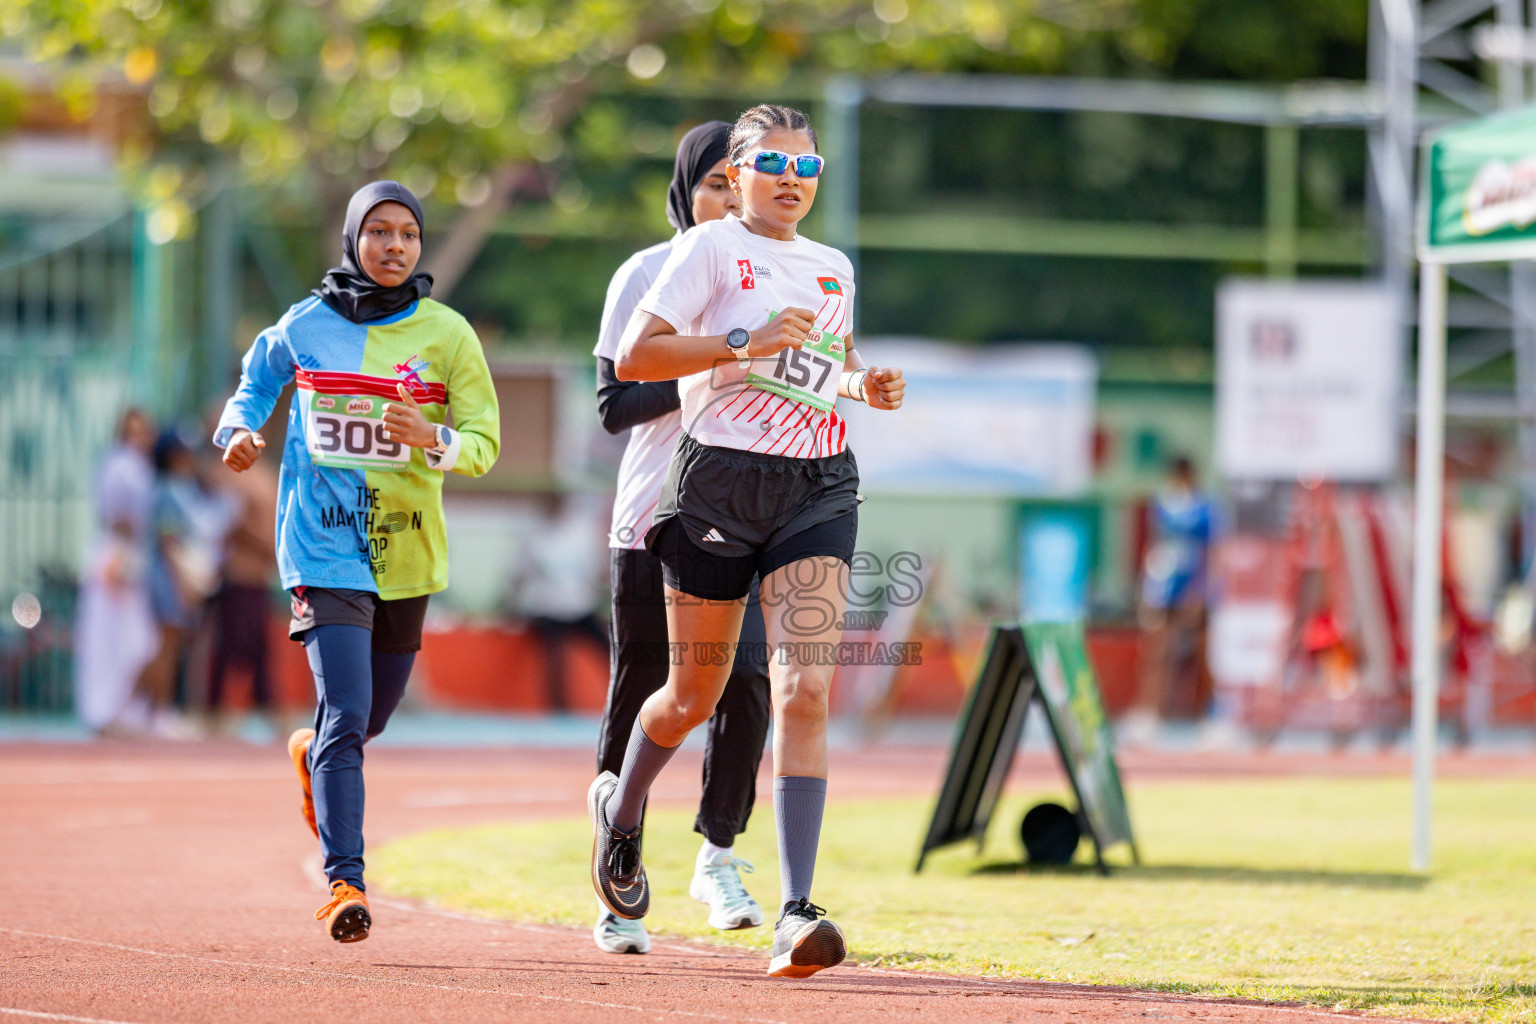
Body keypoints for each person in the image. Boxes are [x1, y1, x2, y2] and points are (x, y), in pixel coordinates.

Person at [588, 104, 906, 979]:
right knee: (692, 696)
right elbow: (634, 366)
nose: (793, 180)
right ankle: (622, 812)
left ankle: (797, 912)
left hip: (818, 483)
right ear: (739, 169)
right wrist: (741, 339)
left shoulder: (832, 266)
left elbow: (811, 370)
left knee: (804, 688)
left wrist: (859, 383)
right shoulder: (705, 250)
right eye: (774, 164)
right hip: (718, 482)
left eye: (809, 166)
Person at [214, 181, 500, 943]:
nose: (394, 246)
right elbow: (253, 385)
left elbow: (483, 442)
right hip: (321, 543)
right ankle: (345, 880)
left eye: (408, 233)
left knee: (365, 720)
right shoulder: (303, 326)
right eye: (378, 231)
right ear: (353, 238)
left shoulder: (448, 335)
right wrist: (238, 432)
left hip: (407, 549)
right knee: (345, 712)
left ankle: (312, 754)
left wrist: (431, 439)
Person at [590, 120, 772, 957]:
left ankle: (718, 853)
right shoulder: (643, 274)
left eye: (740, 186)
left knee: (747, 685)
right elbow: (614, 405)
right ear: (684, 191)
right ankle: (618, 877)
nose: (728, 202)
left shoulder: (770, 276)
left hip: (743, 513)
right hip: (653, 513)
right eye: (713, 186)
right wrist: (716, 363)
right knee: (642, 691)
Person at [74, 408, 159, 734]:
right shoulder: (121, 465)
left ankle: (121, 711)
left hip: (130, 556)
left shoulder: (139, 467)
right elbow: (118, 519)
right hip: (117, 558)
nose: (141, 438)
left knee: (135, 641)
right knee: (110, 639)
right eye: (134, 431)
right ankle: (103, 712)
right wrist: (122, 560)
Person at [1129, 455, 1216, 739]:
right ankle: (1151, 714)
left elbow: (1211, 552)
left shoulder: (1204, 509)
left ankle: (1210, 716)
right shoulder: (1161, 505)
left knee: (1202, 653)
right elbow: (1153, 548)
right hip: (1164, 586)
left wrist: (1201, 591)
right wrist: (1147, 590)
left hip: (1193, 586)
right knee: (1158, 652)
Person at [205, 442, 279, 732]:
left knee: (259, 647)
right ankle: (218, 715)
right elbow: (228, 523)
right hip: (237, 573)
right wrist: (267, 549)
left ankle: (266, 709)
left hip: (259, 575)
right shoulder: (224, 472)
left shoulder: (266, 472)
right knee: (229, 647)